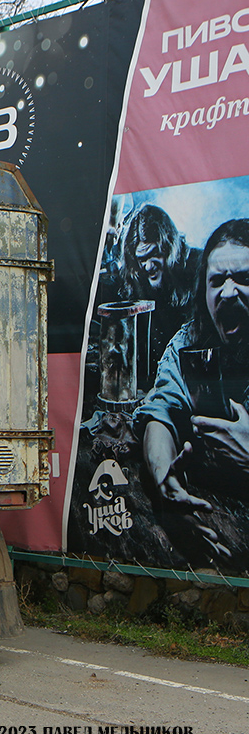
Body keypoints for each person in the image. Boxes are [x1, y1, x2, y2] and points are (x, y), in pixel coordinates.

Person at [136, 219, 249, 562]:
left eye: (243, 278)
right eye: (217, 281)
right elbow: (160, 411)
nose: (228, 292)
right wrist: (164, 479)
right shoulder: (190, 342)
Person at [118, 204, 199, 373]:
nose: (148, 267)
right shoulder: (135, 280)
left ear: (168, 247)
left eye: (153, 255)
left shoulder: (198, 267)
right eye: (142, 259)